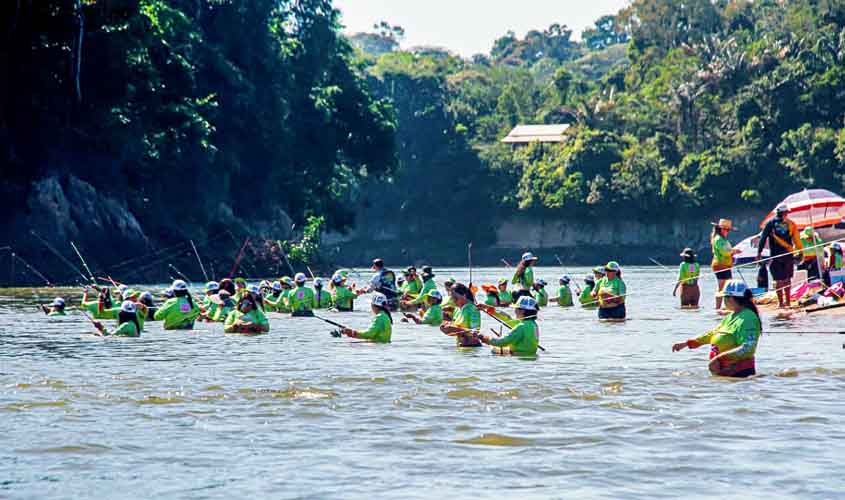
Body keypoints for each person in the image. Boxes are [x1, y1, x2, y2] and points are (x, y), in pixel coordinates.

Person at [672, 280, 761, 378]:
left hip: (739, 374)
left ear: (730, 298)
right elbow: (713, 333)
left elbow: (748, 348)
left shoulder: (748, 318)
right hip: (726, 373)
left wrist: (719, 358)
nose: (723, 301)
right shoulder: (732, 316)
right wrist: (687, 343)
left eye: (724, 298)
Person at [758, 205, 802, 309]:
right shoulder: (791, 224)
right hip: (788, 255)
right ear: (784, 213)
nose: (787, 214)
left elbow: (763, 238)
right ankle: (788, 302)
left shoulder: (770, 224)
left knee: (778, 280)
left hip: (776, 256)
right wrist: (800, 252)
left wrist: (759, 252)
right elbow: (797, 240)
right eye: (787, 212)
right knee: (787, 279)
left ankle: (781, 303)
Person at [711, 219, 741, 310]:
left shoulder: (722, 239)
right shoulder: (719, 239)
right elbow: (724, 252)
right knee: (723, 287)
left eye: (728, 230)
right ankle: (718, 308)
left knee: (727, 287)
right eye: (725, 229)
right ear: (720, 229)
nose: (727, 232)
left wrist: (733, 252)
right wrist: (734, 251)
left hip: (725, 265)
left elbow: (727, 251)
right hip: (720, 265)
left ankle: (725, 307)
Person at [440, 283, 482, 347]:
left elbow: (475, 333)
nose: (453, 300)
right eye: (452, 298)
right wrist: (446, 323)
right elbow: (456, 326)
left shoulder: (472, 309)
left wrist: (454, 329)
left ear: (464, 295)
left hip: (472, 347)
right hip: (461, 347)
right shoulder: (457, 309)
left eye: (455, 298)